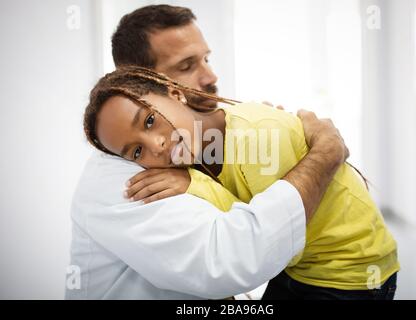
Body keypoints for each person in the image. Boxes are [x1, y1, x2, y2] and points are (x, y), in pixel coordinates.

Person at [66, 5, 348, 299]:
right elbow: (232, 258)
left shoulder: (200, 139)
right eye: (186, 66)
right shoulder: (124, 181)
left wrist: (276, 141)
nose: (210, 77)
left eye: (206, 59)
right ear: (143, 81)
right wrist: (323, 156)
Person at [84, 65, 400, 300]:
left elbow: (273, 233)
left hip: (349, 274)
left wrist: (194, 184)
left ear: (175, 93)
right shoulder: (201, 147)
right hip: (304, 267)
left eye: (149, 120)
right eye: (137, 150)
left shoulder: (257, 135)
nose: (157, 145)